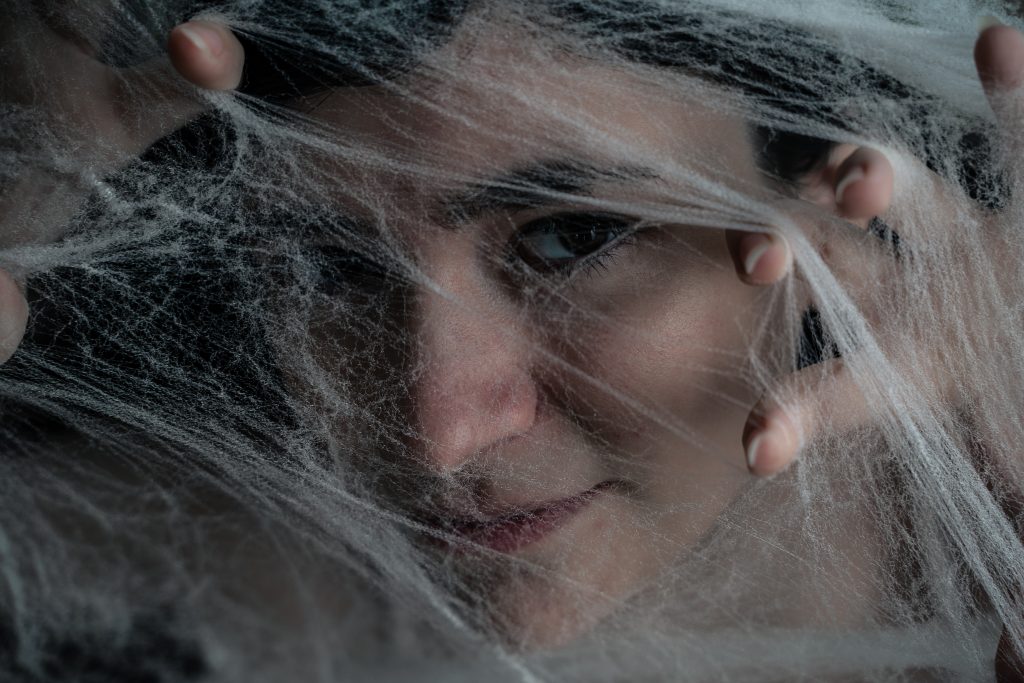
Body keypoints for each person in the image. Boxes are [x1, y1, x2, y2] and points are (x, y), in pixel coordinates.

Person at [2, 1, 1024, 680]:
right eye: (330, 267)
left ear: (834, 190)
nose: (437, 432)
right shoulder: (217, 577)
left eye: (572, 239)